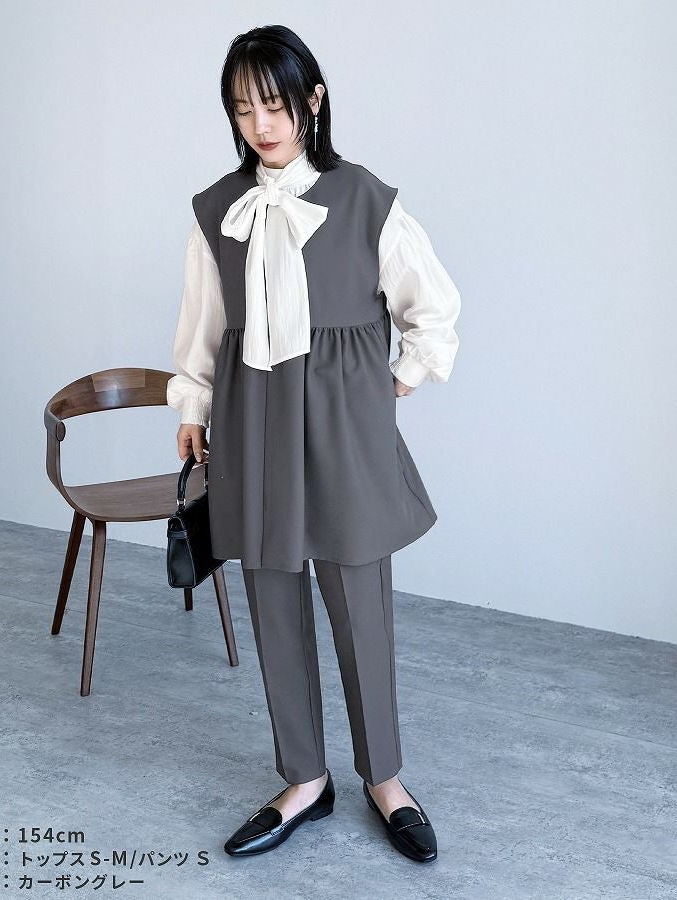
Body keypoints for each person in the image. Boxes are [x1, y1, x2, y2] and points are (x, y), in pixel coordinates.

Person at [166, 25, 460, 863]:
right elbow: (203, 324)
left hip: (343, 424)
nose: (261, 123)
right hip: (251, 419)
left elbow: (433, 308)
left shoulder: (364, 198)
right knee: (271, 595)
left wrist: (395, 381)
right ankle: (303, 778)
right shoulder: (216, 209)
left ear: (313, 98)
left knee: (360, 596)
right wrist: (192, 404)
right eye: (243, 107)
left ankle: (385, 778)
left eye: (275, 102)